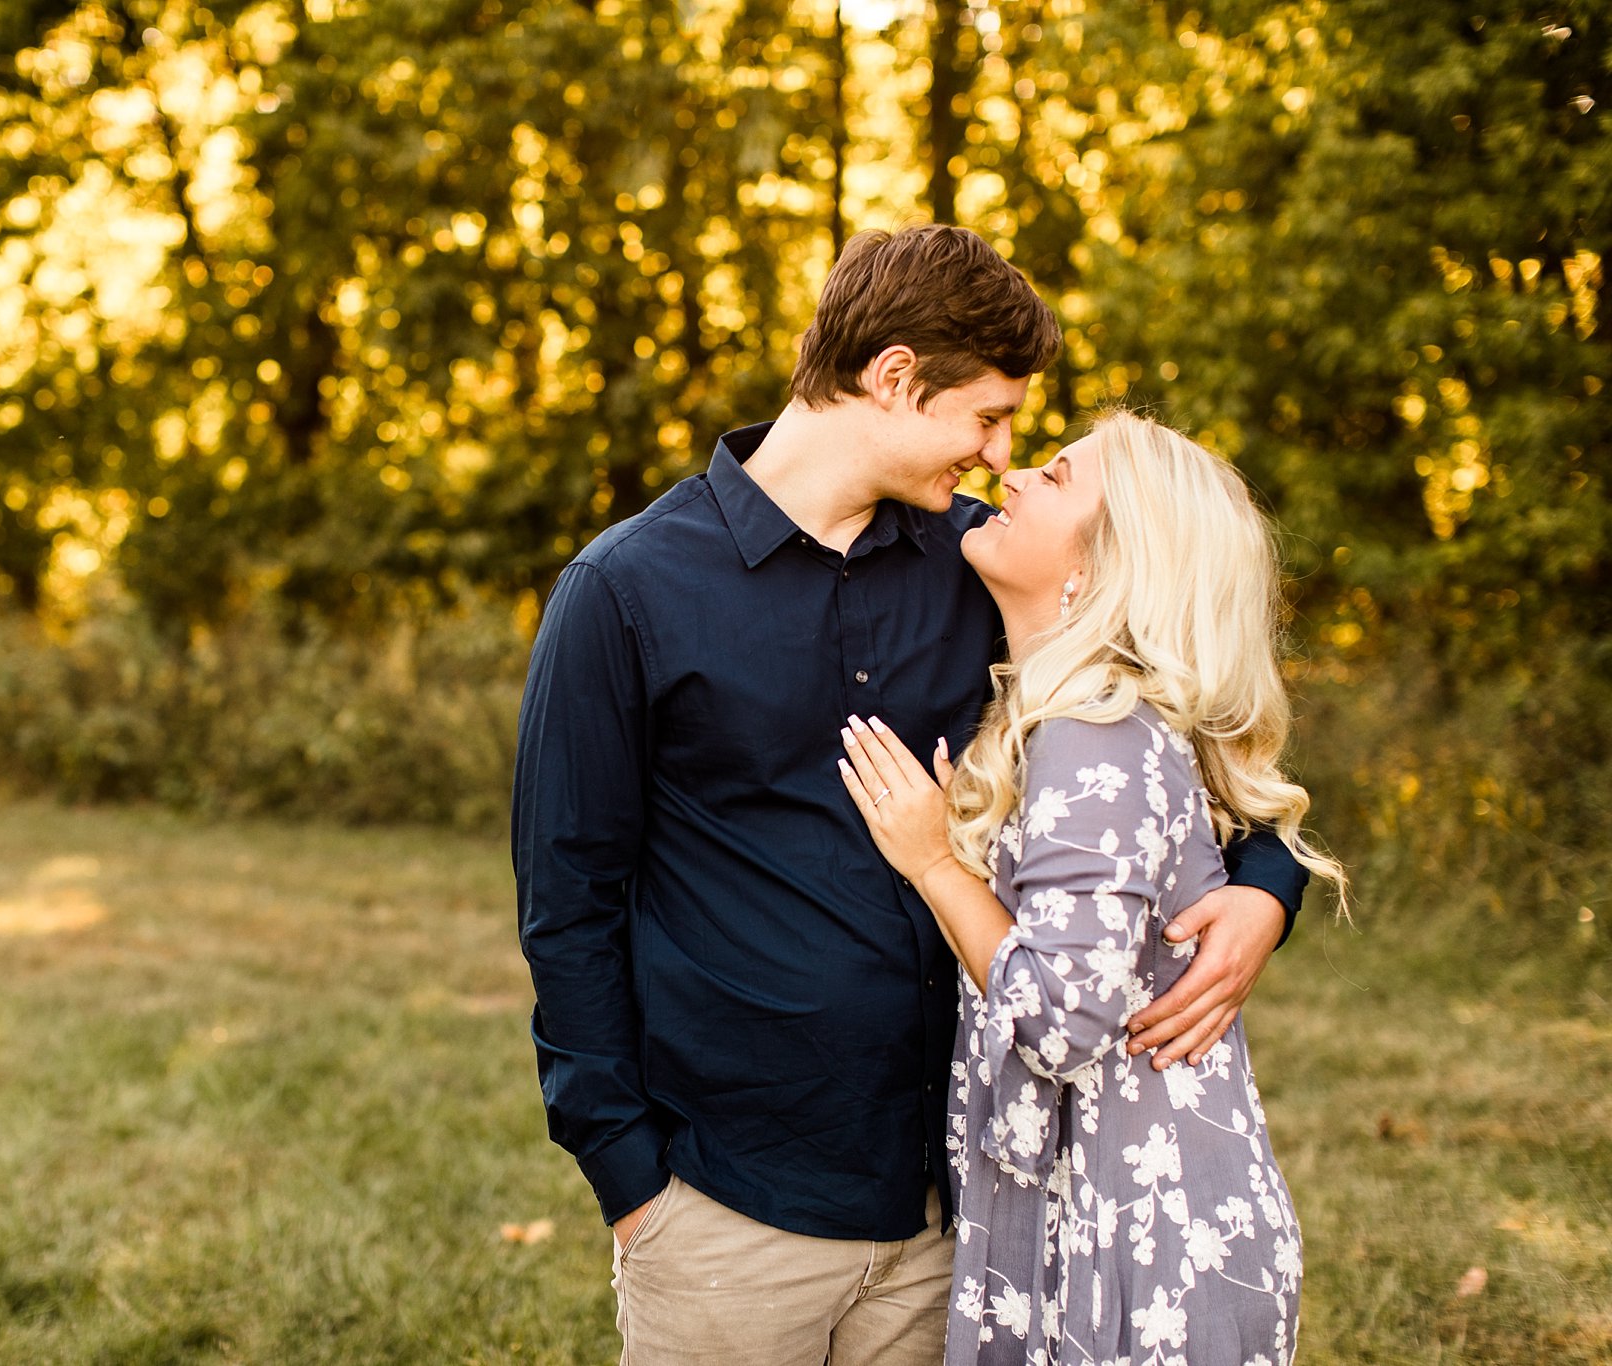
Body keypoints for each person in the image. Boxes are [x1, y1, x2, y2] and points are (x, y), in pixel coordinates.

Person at [511, 223, 1308, 1365]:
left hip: (961, 1211)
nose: (995, 457)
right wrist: (629, 1177)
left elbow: (1200, 732)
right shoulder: (623, 591)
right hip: (727, 1207)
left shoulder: (985, 563)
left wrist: (1262, 891)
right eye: (986, 417)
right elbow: (567, 902)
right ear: (892, 378)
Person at [838, 410, 1347, 1365]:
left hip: (1135, 1250)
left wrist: (935, 863)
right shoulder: (1082, 714)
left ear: (1107, 568)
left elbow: (1060, 1022)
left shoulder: (1093, 733)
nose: (1014, 474)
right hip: (1103, 1211)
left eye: (1059, 475)